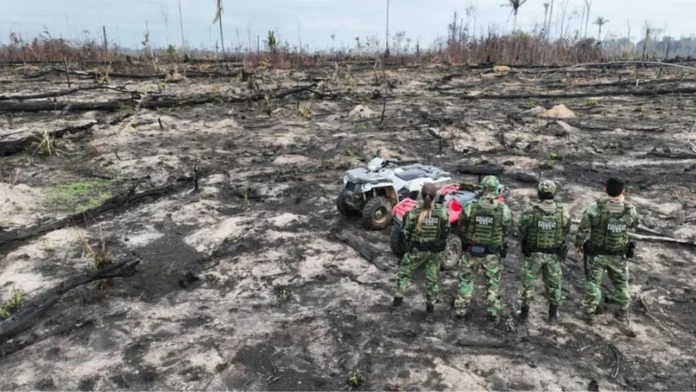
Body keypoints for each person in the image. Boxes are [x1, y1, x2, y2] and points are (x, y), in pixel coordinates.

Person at [574, 177, 639, 325]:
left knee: (593, 283)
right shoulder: (630, 209)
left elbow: (583, 228)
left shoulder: (595, 208)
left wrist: (578, 245)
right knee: (621, 283)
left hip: (596, 254)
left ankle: (589, 313)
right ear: (623, 191)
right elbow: (635, 224)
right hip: (618, 254)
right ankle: (622, 313)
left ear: (605, 190)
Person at [453, 175, 513, 328]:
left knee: (466, 281)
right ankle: (492, 317)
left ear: (483, 189)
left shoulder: (470, 206)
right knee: (492, 285)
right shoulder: (503, 209)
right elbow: (507, 228)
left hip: (472, 251)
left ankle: (460, 314)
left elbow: (462, 226)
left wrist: (470, 237)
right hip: (492, 254)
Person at [391, 183, 451, 322]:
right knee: (432, 280)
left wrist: (410, 244)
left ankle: (397, 304)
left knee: (404, 274)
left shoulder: (415, 211)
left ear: (422, 195)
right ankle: (430, 312)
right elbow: (447, 230)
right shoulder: (441, 211)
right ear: (435, 195)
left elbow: (406, 231)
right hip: (435, 252)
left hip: (417, 250)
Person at [517, 180, 571, 325]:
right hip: (553, 255)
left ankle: (524, 315)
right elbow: (566, 229)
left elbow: (522, 228)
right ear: (554, 193)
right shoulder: (562, 211)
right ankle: (552, 316)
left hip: (534, 254)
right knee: (554, 285)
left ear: (539, 193)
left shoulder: (530, 210)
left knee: (528, 284)